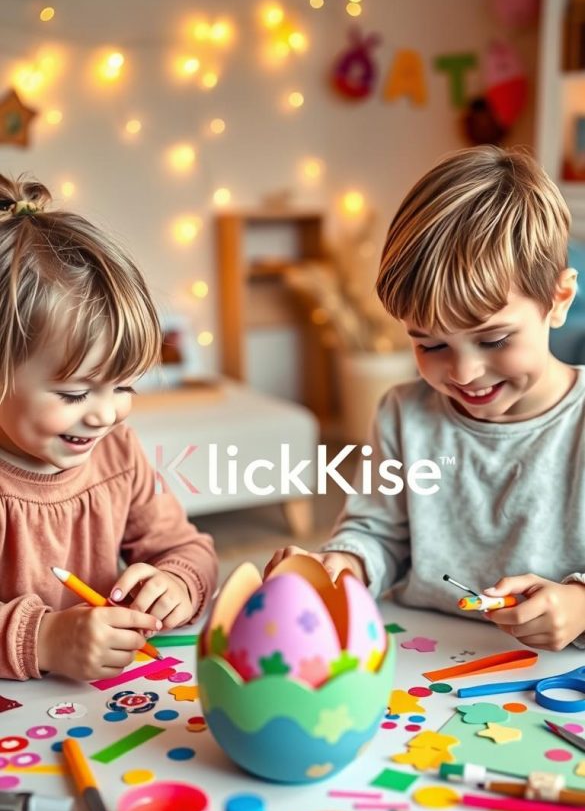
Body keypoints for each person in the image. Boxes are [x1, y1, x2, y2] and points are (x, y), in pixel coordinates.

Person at [265, 146, 585, 652]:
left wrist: (578, 604)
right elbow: (376, 532)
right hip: (420, 655)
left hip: (550, 675)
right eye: (431, 344)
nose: (463, 372)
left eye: (494, 339)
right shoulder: (403, 413)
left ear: (559, 301)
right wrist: (344, 567)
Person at [0, 175, 217, 681]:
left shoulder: (116, 452)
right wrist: (45, 639)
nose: (105, 415)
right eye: (75, 394)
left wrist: (176, 582)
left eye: (124, 388)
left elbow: (188, 548)